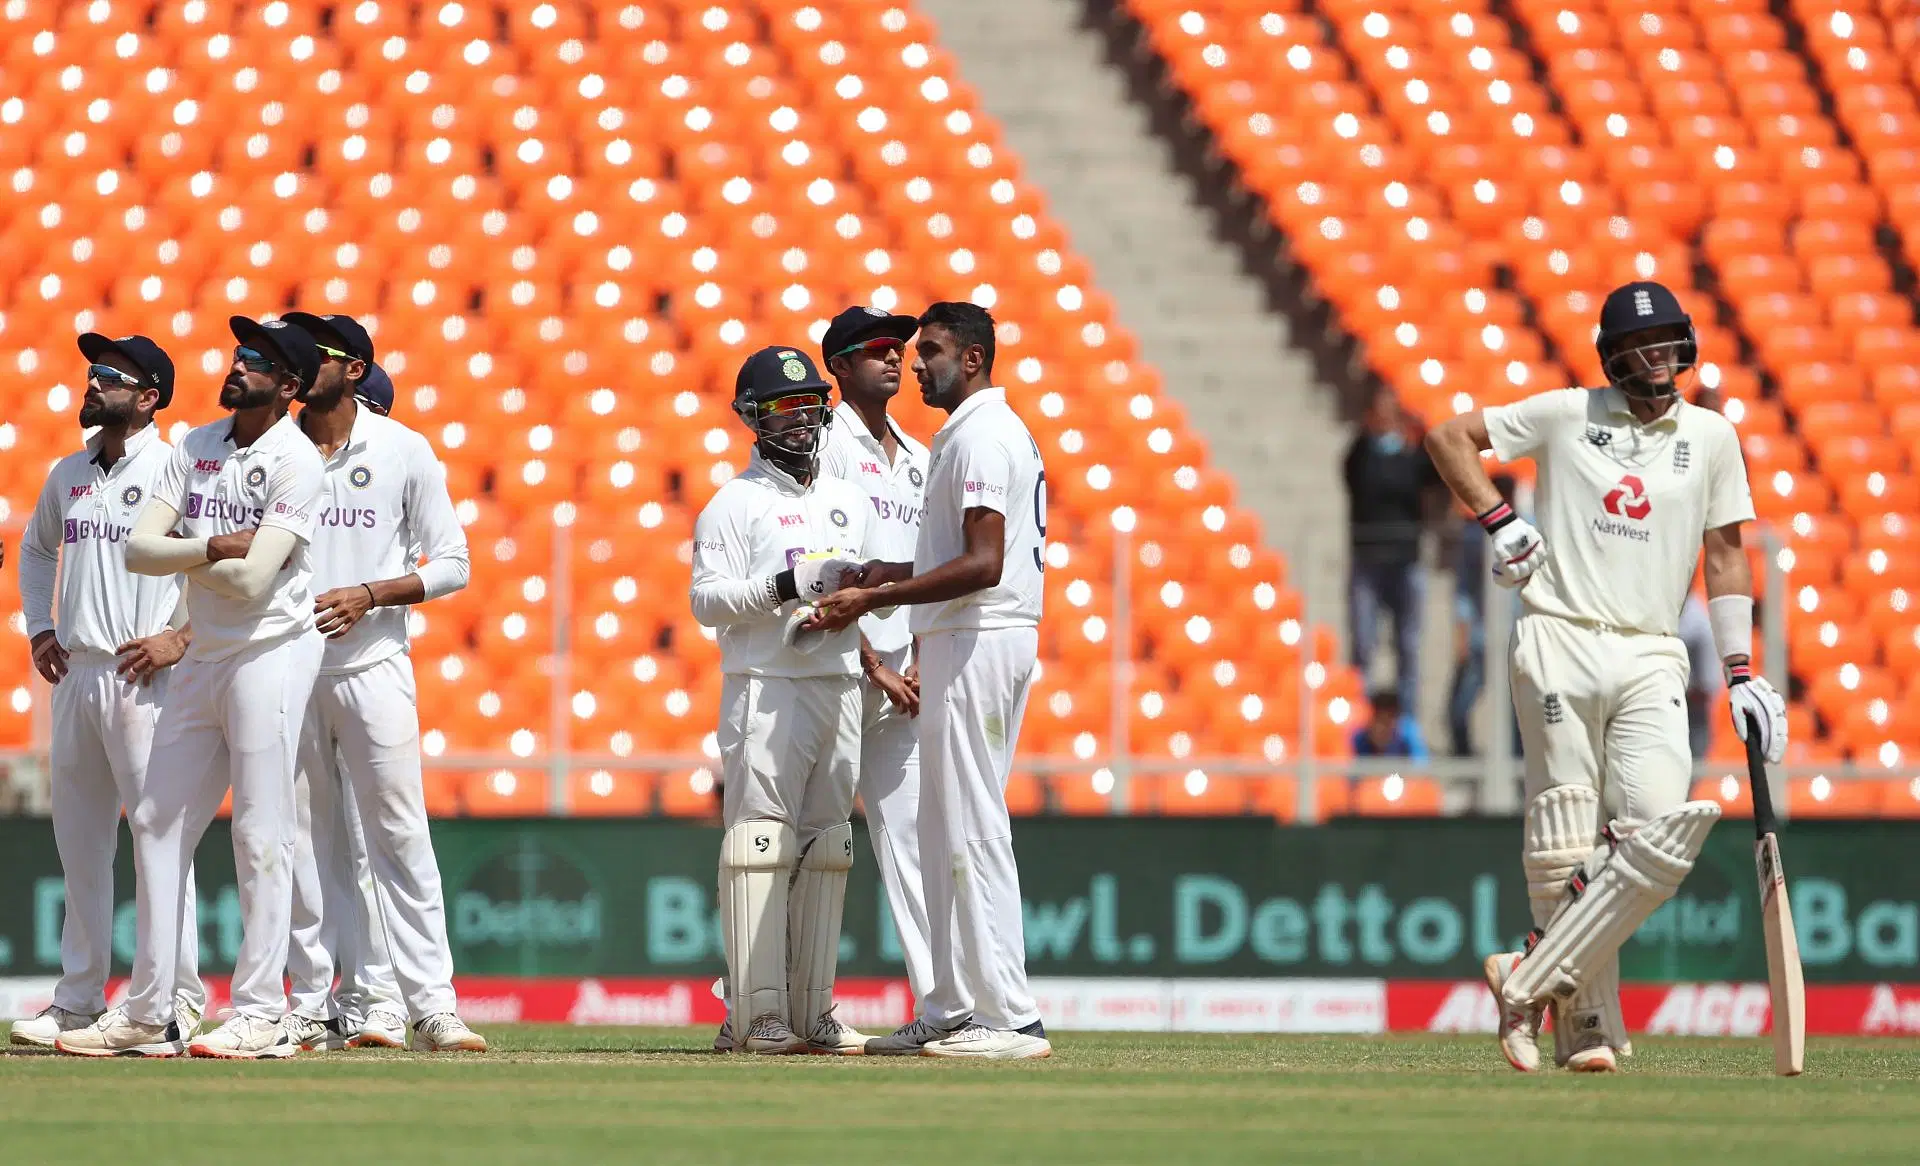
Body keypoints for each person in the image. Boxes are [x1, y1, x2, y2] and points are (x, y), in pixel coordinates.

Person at [1423, 280, 1781, 1074]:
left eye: (1669, 345)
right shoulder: (1565, 413)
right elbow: (1449, 436)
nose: (1660, 360)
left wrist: (1740, 671)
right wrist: (1501, 520)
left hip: (1655, 650)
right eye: (1642, 348)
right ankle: (1586, 1022)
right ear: (1615, 357)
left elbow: (1725, 553)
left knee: (1659, 831)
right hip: (1558, 634)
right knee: (1563, 837)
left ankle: (1526, 974)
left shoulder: (1713, 436)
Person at [57, 316, 328, 1059]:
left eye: (258, 361)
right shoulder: (198, 446)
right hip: (206, 652)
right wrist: (208, 544)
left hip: (272, 651)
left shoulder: (298, 462)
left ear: (290, 387)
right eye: (238, 354)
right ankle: (151, 1010)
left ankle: (263, 1011)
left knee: (259, 830)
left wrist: (187, 556)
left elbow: (251, 580)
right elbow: (138, 552)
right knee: (153, 819)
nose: (238, 366)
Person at [807, 301, 1052, 1060]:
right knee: (946, 826)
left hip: (978, 638)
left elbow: (982, 566)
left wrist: (876, 596)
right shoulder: (971, 433)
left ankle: (1008, 1017)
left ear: (972, 359)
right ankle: (951, 1008)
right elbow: (960, 555)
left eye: (932, 352)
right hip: (962, 637)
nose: (917, 364)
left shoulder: (979, 436)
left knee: (971, 825)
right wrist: (892, 572)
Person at [276, 310, 484, 1054]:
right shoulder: (274, 447)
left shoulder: (402, 449)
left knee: (397, 833)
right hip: (285, 670)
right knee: (300, 840)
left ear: (355, 368)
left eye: (318, 354)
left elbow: (453, 562)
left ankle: (430, 1004)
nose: (300, 363)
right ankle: (311, 1000)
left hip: (374, 666)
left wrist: (371, 593)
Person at [11, 334, 205, 1049]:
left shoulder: (176, 467)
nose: (90, 384)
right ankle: (79, 999)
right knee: (81, 846)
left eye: (108, 376)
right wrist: (39, 627)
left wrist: (182, 636)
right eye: (91, 372)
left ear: (149, 396)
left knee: (158, 839)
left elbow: (222, 556)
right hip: (79, 672)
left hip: (146, 673)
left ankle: (176, 999)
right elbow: (36, 549)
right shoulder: (69, 472)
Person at [691, 345, 876, 1055]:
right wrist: (790, 588)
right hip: (765, 689)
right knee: (760, 845)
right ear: (752, 418)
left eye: (808, 407)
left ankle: (813, 1012)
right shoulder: (734, 504)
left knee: (827, 846)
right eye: (781, 410)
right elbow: (708, 603)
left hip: (836, 683)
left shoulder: (846, 498)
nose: (799, 422)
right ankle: (754, 1015)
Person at [815, 305, 935, 1018]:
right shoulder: (823, 446)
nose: (895, 359)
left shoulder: (921, 458)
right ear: (838, 365)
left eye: (901, 349)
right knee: (813, 840)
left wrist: (919, 656)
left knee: (915, 844)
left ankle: (942, 1005)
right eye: (877, 349)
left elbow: (928, 570)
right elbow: (821, 570)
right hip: (834, 670)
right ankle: (776, 1001)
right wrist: (869, 662)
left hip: (902, 681)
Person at [1344, 388, 1437, 710]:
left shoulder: (1409, 458)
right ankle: (1362, 716)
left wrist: (1422, 429)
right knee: (1364, 644)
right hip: (1369, 559)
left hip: (1405, 561)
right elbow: (1351, 469)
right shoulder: (1362, 456)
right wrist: (1367, 430)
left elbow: (1434, 472)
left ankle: (1407, 717)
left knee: (1408, 645)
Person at [1447, 473, 1521, 757]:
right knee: (1458, 710)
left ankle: (1518, 775)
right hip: (1482, 639)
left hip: (1517, 640)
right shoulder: (1474, 537)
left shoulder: (1532, 531)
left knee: (1516, 718)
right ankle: (1466, 766)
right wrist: (1462, 632)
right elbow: (1464, 588)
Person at [1351, 690, 1428, 760]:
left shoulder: (1408, 736)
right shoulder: (1358, 738)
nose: (1382, 728)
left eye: (1387, 722)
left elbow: (1421, 767)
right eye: (1380, 720)